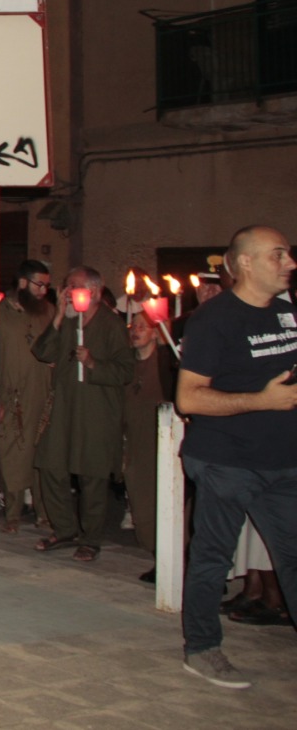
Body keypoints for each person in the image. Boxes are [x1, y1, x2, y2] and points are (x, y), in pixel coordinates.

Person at [175, 226, 297, 689]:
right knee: (213, 558)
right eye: (278, 255)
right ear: (245, 262)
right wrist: (261, 401)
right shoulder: (214, 320)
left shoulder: (287, 312)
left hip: (283, 460)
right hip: (227, 460)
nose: (290, 263)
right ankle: (202, 648)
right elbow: (189, 398)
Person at [31, 266, 133, 563]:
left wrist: (92, 363)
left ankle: (91, 538)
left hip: (96, 411)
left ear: (95, 292)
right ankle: (64, 528)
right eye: (66, 286)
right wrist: (58, 317)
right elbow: (43, 352)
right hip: (65, 407)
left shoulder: (111, 325)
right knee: (51, 465)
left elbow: (125, 370)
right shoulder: (67, 320)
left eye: (74, 286)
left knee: (92, 475)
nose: (68, 292)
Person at [0, 260, 55, 532]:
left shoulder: (49, 312)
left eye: (46, 286)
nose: (43, 291)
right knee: (13, 454)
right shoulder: (0, 313)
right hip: (12, 396)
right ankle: (13, 513)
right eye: (39, 285)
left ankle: (44, 512)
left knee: (42, 455)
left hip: (43, 395)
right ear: (22, 283)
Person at [122, 315, 173, 583]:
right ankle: (159, 556)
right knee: (143, 505)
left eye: (143, 326)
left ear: (156, 332)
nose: (136, 331)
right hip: (136, 443)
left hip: (163, 444)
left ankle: (179, 561)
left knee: (169, 504)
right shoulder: (126, 365)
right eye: (133, 326)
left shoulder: (165, 363)